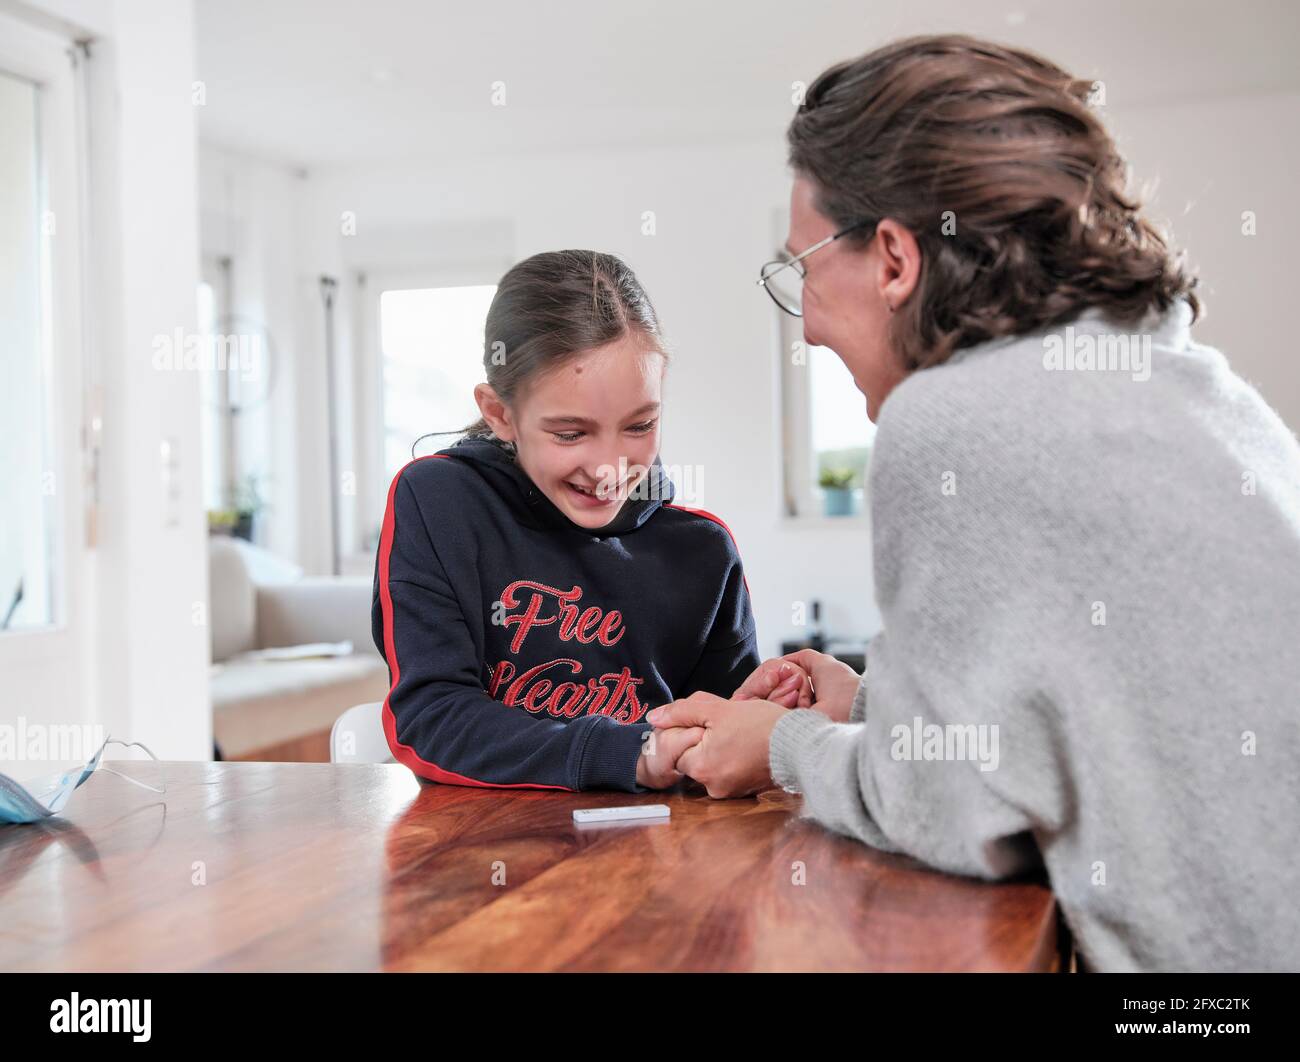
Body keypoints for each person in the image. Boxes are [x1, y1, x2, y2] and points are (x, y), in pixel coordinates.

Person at [647, 34, 1300, 971]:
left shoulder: (954, 416)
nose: (808, 316)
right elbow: (1069, 736)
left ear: (897, 260)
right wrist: (875, 707)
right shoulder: (1186, 386)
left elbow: (952, 813)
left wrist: (785, 747)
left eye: (805, 267)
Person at [372, 249, 810, 793]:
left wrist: (754, 711)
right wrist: (631, 755)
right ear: (500, 413)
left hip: (655, 858)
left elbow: (718, 749)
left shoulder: (703, 550)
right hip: (479, 856)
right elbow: (430, 720)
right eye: (570, 433)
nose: (609, 468)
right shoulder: (437, 501)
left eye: (639, 425)